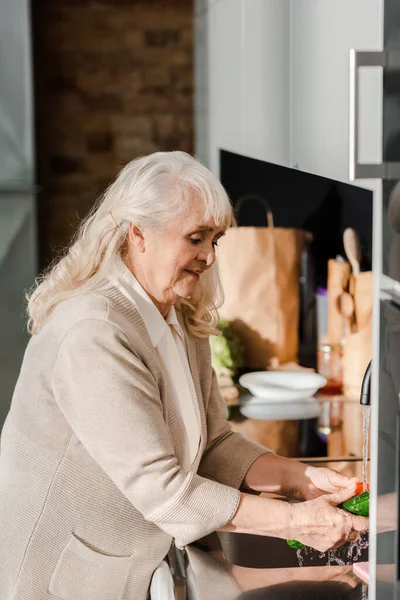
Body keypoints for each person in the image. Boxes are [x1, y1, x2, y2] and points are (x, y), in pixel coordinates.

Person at [0, 151, 368, 600]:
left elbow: (215, 445)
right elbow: (163, 491)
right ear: (138, 233)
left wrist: (302, 479)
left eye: (215, 240)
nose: (210, 256)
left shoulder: (178, 316)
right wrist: (298, 521)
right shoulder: (93, 332)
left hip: (125, 567)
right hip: (59, 581)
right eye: (196, 238)